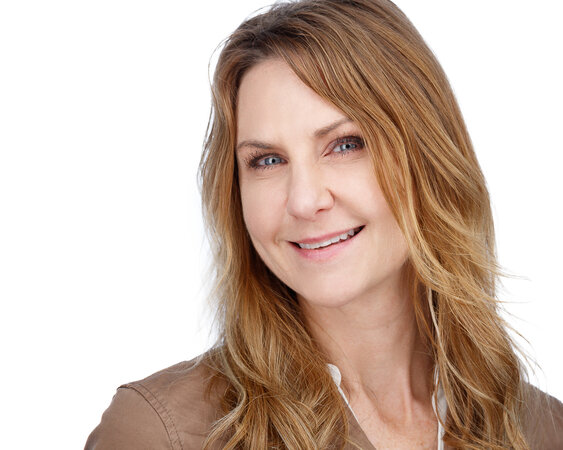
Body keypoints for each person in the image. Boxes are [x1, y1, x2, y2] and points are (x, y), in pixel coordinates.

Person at [85, 0, 563, 448]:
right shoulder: (162, 432)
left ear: (428, 157)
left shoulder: (544, 429)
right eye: (267, 160)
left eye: (346, 145)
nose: (304, 200)